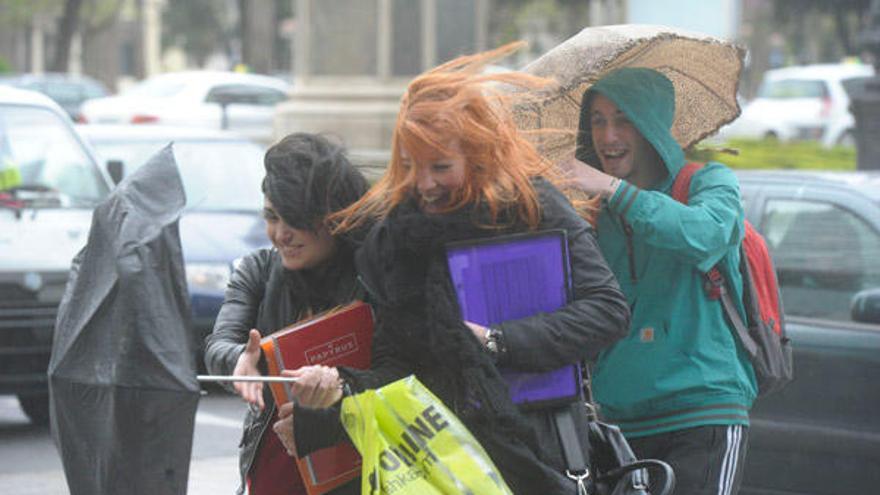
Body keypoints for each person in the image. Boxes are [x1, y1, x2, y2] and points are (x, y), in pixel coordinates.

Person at [274, 43, 631, 494]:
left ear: (477, 156)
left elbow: (608, 310)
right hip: (441, 469)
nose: (424, 184)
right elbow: (396, 371)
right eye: (409, 166)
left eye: (440, 166)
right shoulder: (395, 240)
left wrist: (496, 341)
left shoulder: (533, 208)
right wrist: (331, 394)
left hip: (537, 460)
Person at [567, 67, 757, 495]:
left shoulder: (708, 181)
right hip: (619, 420)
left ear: (652, 123)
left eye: (624, 118)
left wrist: (615, 189)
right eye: (597, 120)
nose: (607, 134)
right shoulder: (590, 210)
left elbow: (705, 234)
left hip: (703, 409)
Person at [203, 132, 369, 495]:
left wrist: (336, 385)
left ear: (334, 216)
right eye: (271, 217)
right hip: (276, 465)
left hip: (360, 465)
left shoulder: (374, 279)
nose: (281, 234)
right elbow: (219, 348)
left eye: (294, 219)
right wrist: (250, 361)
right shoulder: (258, 270)